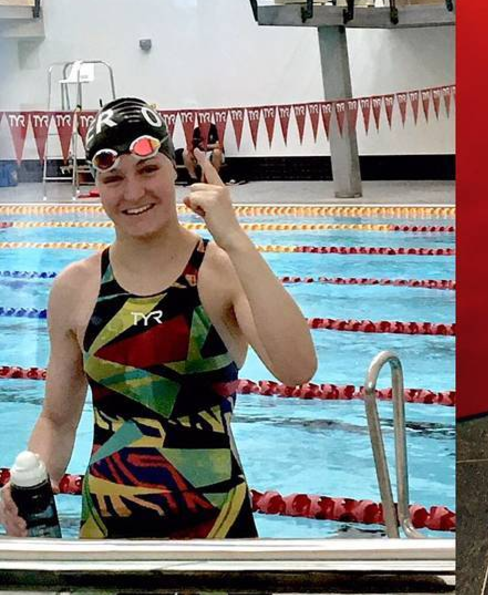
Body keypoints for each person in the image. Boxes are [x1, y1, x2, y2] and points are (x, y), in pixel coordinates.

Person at [0, 97, 318, 539]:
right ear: (98, 185)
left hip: (217, 532)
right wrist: (27, 482)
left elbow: (297, 368)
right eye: (114, 178)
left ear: (175, 169)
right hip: (106, 535)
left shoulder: (220, 272)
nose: (133, 193)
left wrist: (235, 239)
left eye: (148, 171)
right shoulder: (75, 289)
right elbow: (57, 420)